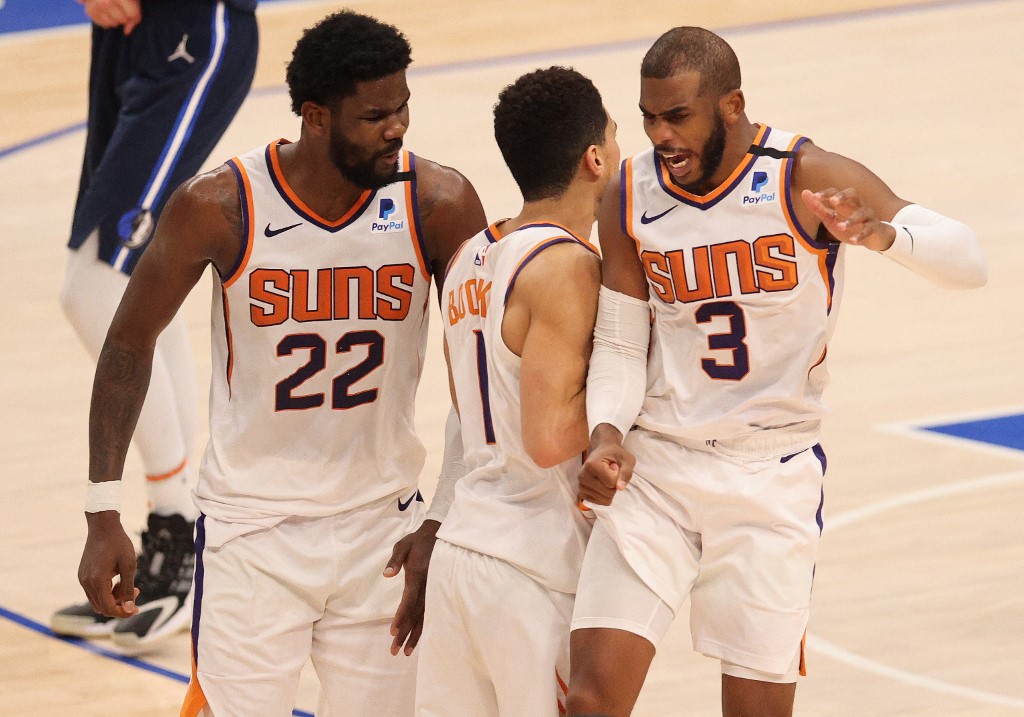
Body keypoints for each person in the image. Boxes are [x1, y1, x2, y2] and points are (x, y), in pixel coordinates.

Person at [74, 10, 486, 716]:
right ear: (316, 118)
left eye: (403, 107)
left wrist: (444, 515)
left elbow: (487, 379)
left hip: (381, 529)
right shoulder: (219, 206)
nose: (397, 128)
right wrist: (102, 508)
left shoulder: (438, 203)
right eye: (375, 115)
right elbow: (126, 345)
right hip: (251, 532)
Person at [567, 26, 987, 717]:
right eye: (648, 116)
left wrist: (884, 237)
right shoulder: (628, 191)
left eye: (678, 116)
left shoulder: (804, 174)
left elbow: (969, 260)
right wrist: (606, 429)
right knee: (589, 700)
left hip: (770, 474)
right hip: (659, 467)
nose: (660, 134)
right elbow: (618, 341)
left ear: (731, 105)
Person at [52, 0, 259, 651]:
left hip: (195, 27)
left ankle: (179, 519)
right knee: (133, 279)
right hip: (124, 33)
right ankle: (177, 520)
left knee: (93, 287)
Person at [414, 66, 617, 717]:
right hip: (533, 562)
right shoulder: (568, 265)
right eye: (615, 136)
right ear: (594, 158)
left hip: (463, 550)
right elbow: (549, 437)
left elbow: (469, 409)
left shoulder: (470, 254)